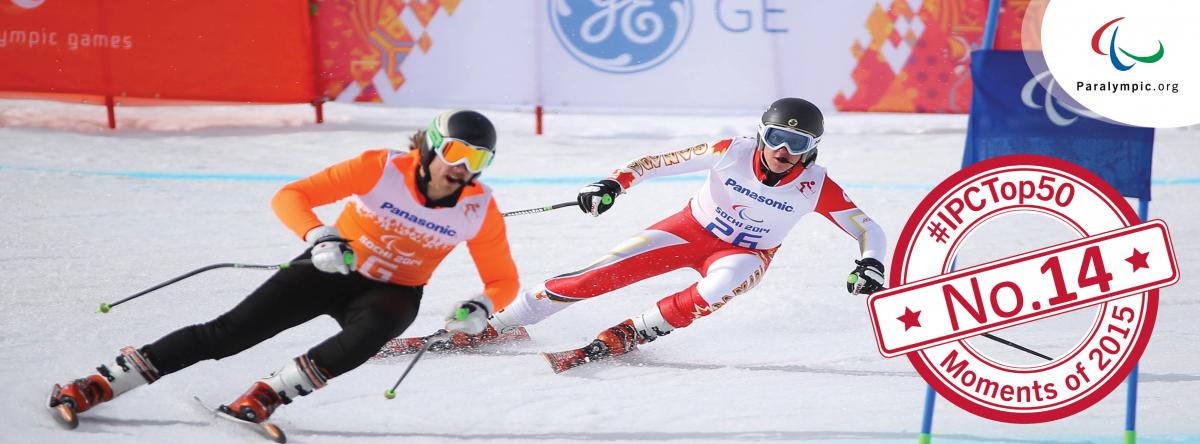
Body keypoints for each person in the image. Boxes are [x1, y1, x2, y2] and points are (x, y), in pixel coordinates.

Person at [47, 110, 520, 425]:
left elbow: (503, 279)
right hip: (334, 266)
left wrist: (481, 305)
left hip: (393, 291)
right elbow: (291, 195)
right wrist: (319, 235)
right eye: (457, 152)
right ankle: (101, 382)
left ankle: (266, 396)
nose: (465, 167)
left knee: (373, 333)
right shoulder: (381, 168)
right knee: (229, 335)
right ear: (434, 146)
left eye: (479, 159)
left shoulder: (479, 208)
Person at [382, 98, 888, 371]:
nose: (783, 150)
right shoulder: (731, 150)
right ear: (761, 133)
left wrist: (870, 261)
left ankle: (635, 332)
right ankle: (501, 323)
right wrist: (611, 184)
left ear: (812, 148)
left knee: (714, 290)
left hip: (745, 254)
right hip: (689, 231)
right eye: (776, 137)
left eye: (797, 143)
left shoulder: (816, 184)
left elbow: (868, 227)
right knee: (594, 276)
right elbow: (653, 163)